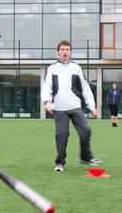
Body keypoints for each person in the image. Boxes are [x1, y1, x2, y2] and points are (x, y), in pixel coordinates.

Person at [41, 40, 101, 172]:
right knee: (62, 134)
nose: (65, 52)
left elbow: (85, 87)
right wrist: (47, 102)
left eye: (67, 49)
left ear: (70, 52)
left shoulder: (76, 68)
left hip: (75, 107)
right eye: (62, 49)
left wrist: (91, 105)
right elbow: (47, 86)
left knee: (86, 130)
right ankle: (60, 162)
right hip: (59, 108)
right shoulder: (52, 69)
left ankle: (85, 157)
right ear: (58, 52)